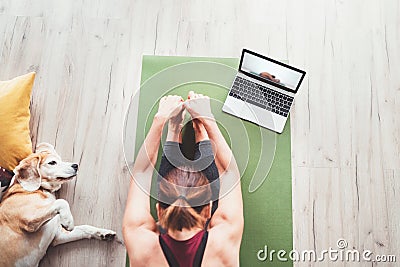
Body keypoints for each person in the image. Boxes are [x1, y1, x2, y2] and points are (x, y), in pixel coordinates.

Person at [123, 91, 244, 267]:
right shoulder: (223, 239)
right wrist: (207, 118)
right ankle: (199, 128)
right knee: (197, 183)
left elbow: (142, 172)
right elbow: (228, 172)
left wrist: (160, 119)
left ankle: (175, 127)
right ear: (208, 210)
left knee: (177, 184)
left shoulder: (142, 243)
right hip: (204, 234)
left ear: (159, 211)